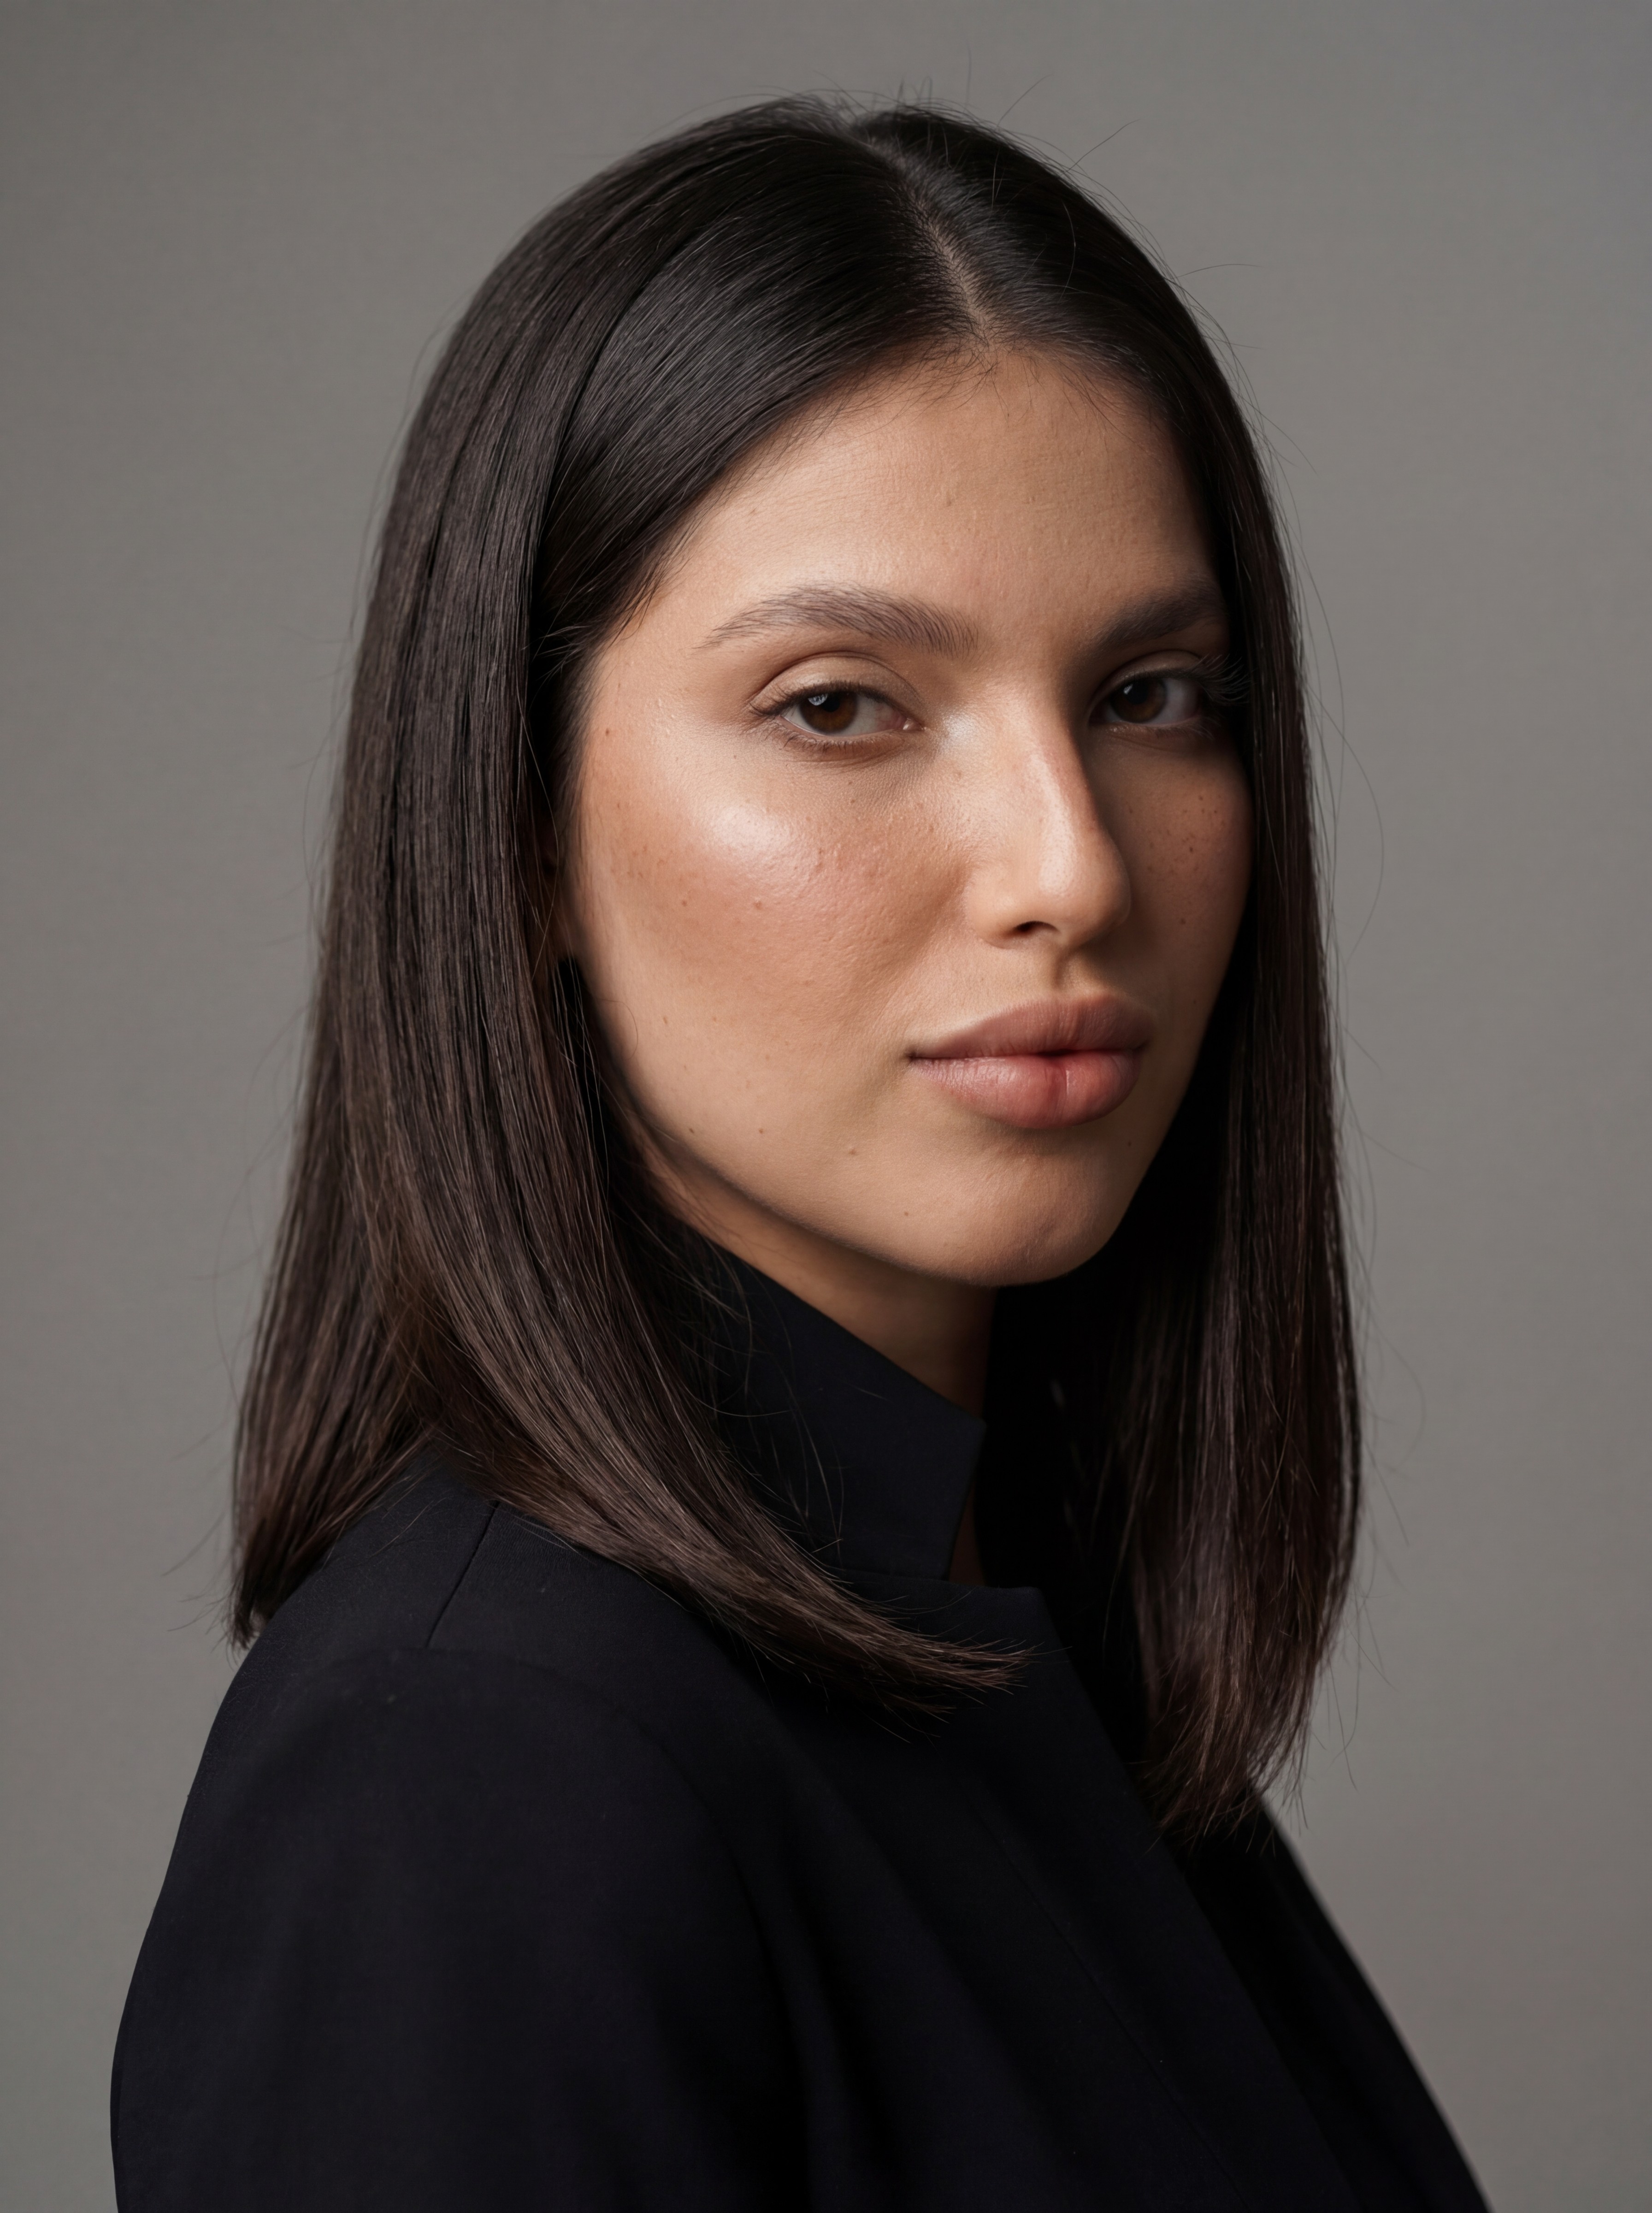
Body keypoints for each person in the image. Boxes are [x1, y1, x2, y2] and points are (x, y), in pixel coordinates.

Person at [112, 97, 1488, 2211]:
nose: (1067, 865)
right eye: (842, 705)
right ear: (514, 830)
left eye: (1150, 692)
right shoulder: (474, 1776)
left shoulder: (1002, 1633)